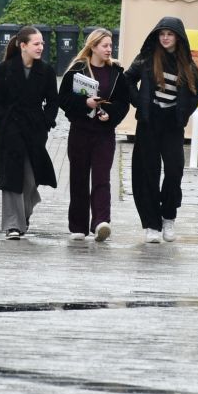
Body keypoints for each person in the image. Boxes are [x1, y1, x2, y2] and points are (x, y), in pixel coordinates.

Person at [125, 17, 198, 243]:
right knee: (147, 172)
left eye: (169, 34)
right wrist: (140, 103)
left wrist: (183, 113)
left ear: (178, 37)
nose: (165, 38)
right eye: (162, 34)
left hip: (172, 124)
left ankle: (168, 217)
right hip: (149, 122)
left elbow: (196, 94)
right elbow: (127, 79)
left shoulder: (188, 65)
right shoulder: (147, 58)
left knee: (174, 170)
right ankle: (152, 224)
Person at [57, 27, 130, 242]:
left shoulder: (116, 72)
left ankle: (101, 222)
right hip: (80, 131)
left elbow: (123, 103)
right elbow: (63, 99)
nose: (109, 49)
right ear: (93, 47)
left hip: (104, 133)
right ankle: (78, 226)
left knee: (101, 177)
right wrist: (85, 103)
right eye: (104, 46)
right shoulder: (76, 70)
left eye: (110, 45)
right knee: (78, 177)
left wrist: (111, 115)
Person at [0, 26, 59, 239]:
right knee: (11, 177)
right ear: (23, 45)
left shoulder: (46, 71)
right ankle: (13, 225)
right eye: (36, 43)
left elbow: (53, 101)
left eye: (42, 43)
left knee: (30, 179)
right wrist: (0, 120)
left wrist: (46, 122)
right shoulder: (4, 69)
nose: (41, 47)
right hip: (9, 131)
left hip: (34, 131)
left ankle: (23, 214)